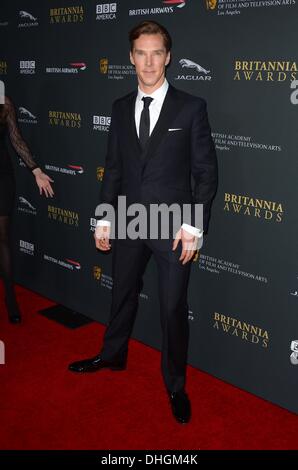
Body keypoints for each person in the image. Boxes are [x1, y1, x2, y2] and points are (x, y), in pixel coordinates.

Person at [69, 21, 218, 424]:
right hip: (131, 219)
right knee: (121, 294)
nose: (149, 61)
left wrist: (194, 225)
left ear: (168, 57)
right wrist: (104, 218)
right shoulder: (120, 107)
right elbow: (113, 169)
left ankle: (175, 385)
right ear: (131, 57)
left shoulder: (191, 107)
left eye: (156, 53)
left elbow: (205, 173)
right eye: (141, 53)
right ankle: (113, 354)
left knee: (171, 308)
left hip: (172, 224)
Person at [0, 95, 54, 323]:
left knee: (2, 239)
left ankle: (11, 302)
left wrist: (36, 170)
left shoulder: (3, 101)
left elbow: (16, 138)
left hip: (1, 177)